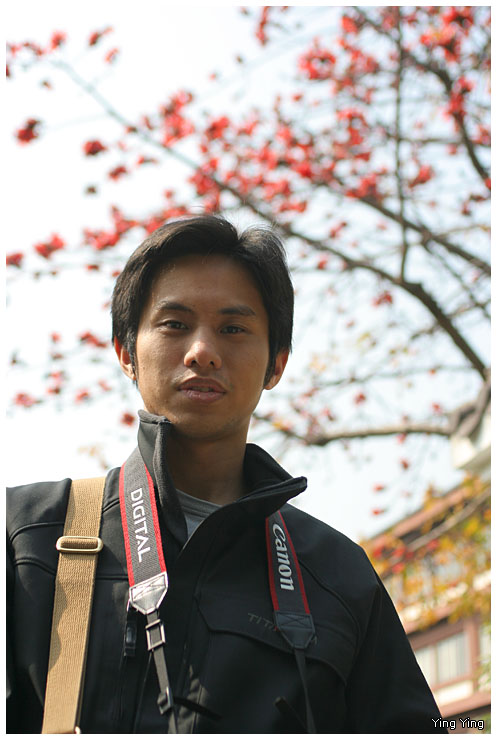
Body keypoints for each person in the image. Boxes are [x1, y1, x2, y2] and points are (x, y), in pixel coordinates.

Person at [7, 214, 446, 733]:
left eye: (233, 329)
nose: (202, 352)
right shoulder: (28, 536)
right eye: (174, 324)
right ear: (126, 352)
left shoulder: (339, 577)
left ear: (276, 364)